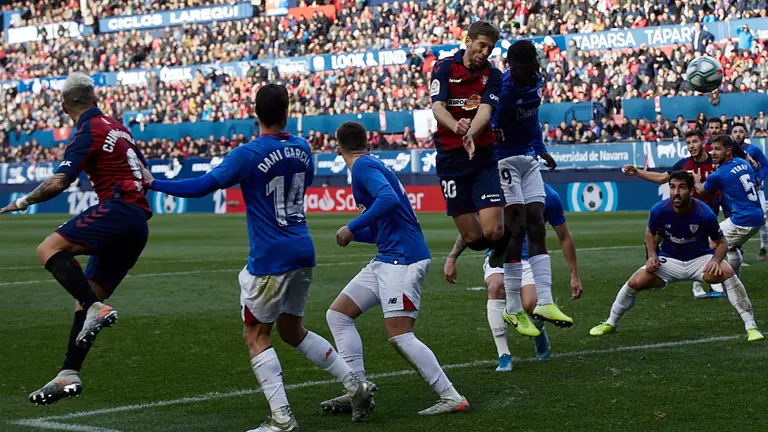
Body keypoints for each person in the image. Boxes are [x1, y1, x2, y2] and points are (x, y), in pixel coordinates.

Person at [141, 85, 375, 431]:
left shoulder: (247, 154)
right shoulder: (302, 148)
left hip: (270, 256)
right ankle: (356, 384)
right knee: (292, 330)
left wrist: (154, 183)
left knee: (255, 335)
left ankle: (282, 418)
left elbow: (203, 186)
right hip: (301, 249)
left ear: (255, 114)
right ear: (287, 112)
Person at [0, 73, 152, 405]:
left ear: (65, 104)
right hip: (138, 223)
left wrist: (21, 202)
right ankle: (69, 373)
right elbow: (148, 174)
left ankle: (96, 308)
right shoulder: (118, 126)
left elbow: (57, 184)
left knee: (48, 248)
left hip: (117, 210)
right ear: (93, 98)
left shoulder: (87, 130)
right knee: (84, 298)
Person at [323, 122, 468, 416]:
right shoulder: (371, 163)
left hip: (403, 259)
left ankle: (451, 396)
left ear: (338, 148)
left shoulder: (363, 167)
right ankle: (357, 389)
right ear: (367, 142)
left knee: (400, 334)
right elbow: (383, 227)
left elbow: (388, 199)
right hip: (389, 257)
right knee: (338, 315)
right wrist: (356, 234)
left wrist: (352, 226)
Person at [589, 171, 763, 342]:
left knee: (727, 271)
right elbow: (650, 233)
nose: (676, 192)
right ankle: (611, 322)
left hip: (699, 260)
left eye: (681, 187)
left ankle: (751, 326)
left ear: (691, 190)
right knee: (634, 282)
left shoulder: (704, 213)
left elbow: (722, 242)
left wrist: (716, 260)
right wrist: (651, 255)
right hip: (670, 260)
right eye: (672, 187)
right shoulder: (659, 210)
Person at [443, 184, 582, 372]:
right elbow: (473, 228)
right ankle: (504, 355)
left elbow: (564, 236)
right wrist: (452, 257)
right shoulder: (494, 190)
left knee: (530, 305)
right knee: (495, 286)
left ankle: (539, 331)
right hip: (500, 256)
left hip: (528, 260)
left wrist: (575, 275)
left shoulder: (547, 195)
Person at [492, 39, 570, 337]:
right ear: (512, 66)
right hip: (504, 161)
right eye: (524, 67)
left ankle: (546, 302)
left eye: (532, 65)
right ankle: (512, 308)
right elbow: (489, 123)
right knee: (517, 226)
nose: (530, 71)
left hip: (528, 158)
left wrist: (541, 147)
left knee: (537, 223)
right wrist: (493, 133)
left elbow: (533, 119)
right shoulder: (503, 90)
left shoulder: (537, 82)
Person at [430, 20, 505, 252]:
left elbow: (485, 111)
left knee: (494, 231)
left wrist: (470, 134)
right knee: (472, 239)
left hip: (482, 154)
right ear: (468, 41)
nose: (485, 53)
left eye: (490, 49)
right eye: (481, 46)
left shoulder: (493, 75)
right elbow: (437, 107)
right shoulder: (443, 67)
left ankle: (507, 250)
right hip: (450, 158)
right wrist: (456, 128)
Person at [622, 130, 724, 298]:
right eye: (688, 143)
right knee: (653, 237)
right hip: (680, 215)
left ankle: (711, 284)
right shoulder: (683, 165)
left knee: (708, 248)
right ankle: (654, 270)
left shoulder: (715, 164)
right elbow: (662, 177)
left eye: (694, 142)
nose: (691, 146)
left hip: (705, 217)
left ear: (703, 142)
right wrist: (638, 172)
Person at [694, 135, 765, 278]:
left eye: (717, 149)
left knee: (711, 244)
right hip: (758, 216)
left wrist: (696, 181)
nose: (713, 153)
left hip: (743, 220)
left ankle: (715, 286)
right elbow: (756, 182)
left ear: (728, 151)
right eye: (712, 149)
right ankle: (734, 280)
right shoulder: (743, 163)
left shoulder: (718, 174)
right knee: (731, 248)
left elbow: (701, 190)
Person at [731, 122, 768, 261]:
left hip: (756, 191)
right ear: (732, 134)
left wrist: (759, 178)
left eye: (741, 131)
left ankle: (763, 247)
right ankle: (738, 246)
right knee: (735, 220)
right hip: (737, 193)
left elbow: (766, 165)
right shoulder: (729, 151)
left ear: (745, 133)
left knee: (762, 220)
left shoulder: (754, 149)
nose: (738, 134)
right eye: (735, 131)